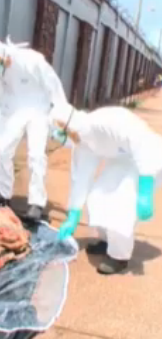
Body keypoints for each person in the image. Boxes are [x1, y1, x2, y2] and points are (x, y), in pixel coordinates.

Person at [50, 101, 162, 275]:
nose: (66, 139)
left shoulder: (104, 122)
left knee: (122, 203)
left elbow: (141, 143)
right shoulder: (84, 143)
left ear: (69, 126)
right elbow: (82, 179)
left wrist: (145, 189)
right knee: (97, 196)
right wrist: (73, 215)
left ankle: (119, 257)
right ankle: (106, 240)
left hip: (148, 156)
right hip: (123, 159)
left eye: (63, 133)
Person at [0, 38, 67, 221]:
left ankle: (36, 202)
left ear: (6, 54)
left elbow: (54, 86)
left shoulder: (31, 61)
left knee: (36, 155)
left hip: (38, 108)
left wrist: (62, 117)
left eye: (0, 63)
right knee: (2, 150)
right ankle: (3, 195)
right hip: (15, 109)